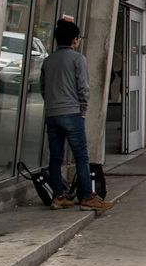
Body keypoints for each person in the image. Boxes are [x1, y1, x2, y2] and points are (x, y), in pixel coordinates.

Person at [41, 19, 114, 211]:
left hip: (52, 113)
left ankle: (58, 196)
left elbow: (43, 87)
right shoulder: (78, 59)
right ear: (75, 40)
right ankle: (87, 197)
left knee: (55, 158)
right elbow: (83, 88)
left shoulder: (48, 61)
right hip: (72, 112)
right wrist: (82, 110)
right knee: (81, 157)